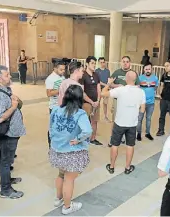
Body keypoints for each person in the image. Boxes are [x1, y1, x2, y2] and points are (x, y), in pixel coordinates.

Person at [49, 85, 92, 215]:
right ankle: (67, 207)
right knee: (69, 179)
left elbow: (51, 127)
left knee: (61, 175)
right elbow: (88, 131)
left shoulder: (56, 109)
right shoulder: (80, 113)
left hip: (57, 150)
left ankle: (58, 199)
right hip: (71, 152)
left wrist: (55, 140)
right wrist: (78, 139)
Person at [0, 65, 25, 199]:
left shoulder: (5, 89)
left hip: (11, 132)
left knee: (4, 160)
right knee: (6, 162)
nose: (10, 76)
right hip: (7, 134)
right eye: (7, 75)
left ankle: (7, 180)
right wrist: (14, 106)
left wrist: (15, 102)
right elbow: (0, 117)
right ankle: (5, 190)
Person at [101, 71, 145, 174]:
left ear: (126, 78)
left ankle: (111, 167)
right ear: (135, 79)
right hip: (132, 124)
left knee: (115, 145)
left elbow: (103, 93)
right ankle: (127, 167)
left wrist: (109, 83)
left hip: (119, 123)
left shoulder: (120, 90)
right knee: (130, 145)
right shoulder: (141, 92)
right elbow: (142, 109)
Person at [108, 56, 140, 146]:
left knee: (127, 119)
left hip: (129, 102)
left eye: (127, 61)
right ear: (121, 62)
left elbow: (138, 86)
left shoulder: (133, 74)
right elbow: (110, 84)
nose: (125, 63)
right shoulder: (116, 73)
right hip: (117, 100)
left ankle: (124, 137)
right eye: (123, 61)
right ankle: (112, 138)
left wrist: (128, 88)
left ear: (130, 63)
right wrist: (118, 86)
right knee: (115, 119)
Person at [79, 56, 103, 146]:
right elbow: (82, 92)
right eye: (92, 63)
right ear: (87, 64)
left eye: (95, 63)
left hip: (96, 102)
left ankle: (93, 138)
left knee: (94, 121)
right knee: (85, 121)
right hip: (86, 103)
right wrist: (91, 102)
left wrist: (98, 100)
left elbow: (99, 88)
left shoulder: (96, 75)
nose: (94, 65)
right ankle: (82, 139)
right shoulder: (83, 75)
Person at [45, 61, 66, 147]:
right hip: (54, 107)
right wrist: (61, 89)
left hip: (63, 105)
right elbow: (49, 93)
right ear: (55, 69)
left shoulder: (62, 77)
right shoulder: (50, 79)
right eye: (61, 69)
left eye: (64, 69)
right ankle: (52, 146)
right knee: (53, 128)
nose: (63, 71)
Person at [137, 62, 158, 141]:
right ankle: (138, 133)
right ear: (144, 70)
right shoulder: (140, 78)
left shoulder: (155, 78)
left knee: (148, 119)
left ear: (151, 69)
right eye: (146, 69)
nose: (148, 70)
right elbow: (138, 89)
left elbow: (155, 88)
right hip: (142, 102)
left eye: (149, 69)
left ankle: (147, 133)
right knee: (140, 119)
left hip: (151, 103)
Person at [95, 57, 111, 122]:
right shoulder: (97, 71)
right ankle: (96, 116)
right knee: (97, 102)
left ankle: (105, 116)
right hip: (99, 89)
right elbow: (98, 81)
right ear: (99, 63)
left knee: (105, 103)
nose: (102, 63)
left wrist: (108, 86)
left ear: (105, 62)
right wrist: (105, 85)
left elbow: (108, 80)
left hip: (106, 89)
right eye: (101, 62)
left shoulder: (107, 71)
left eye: (103, 62)